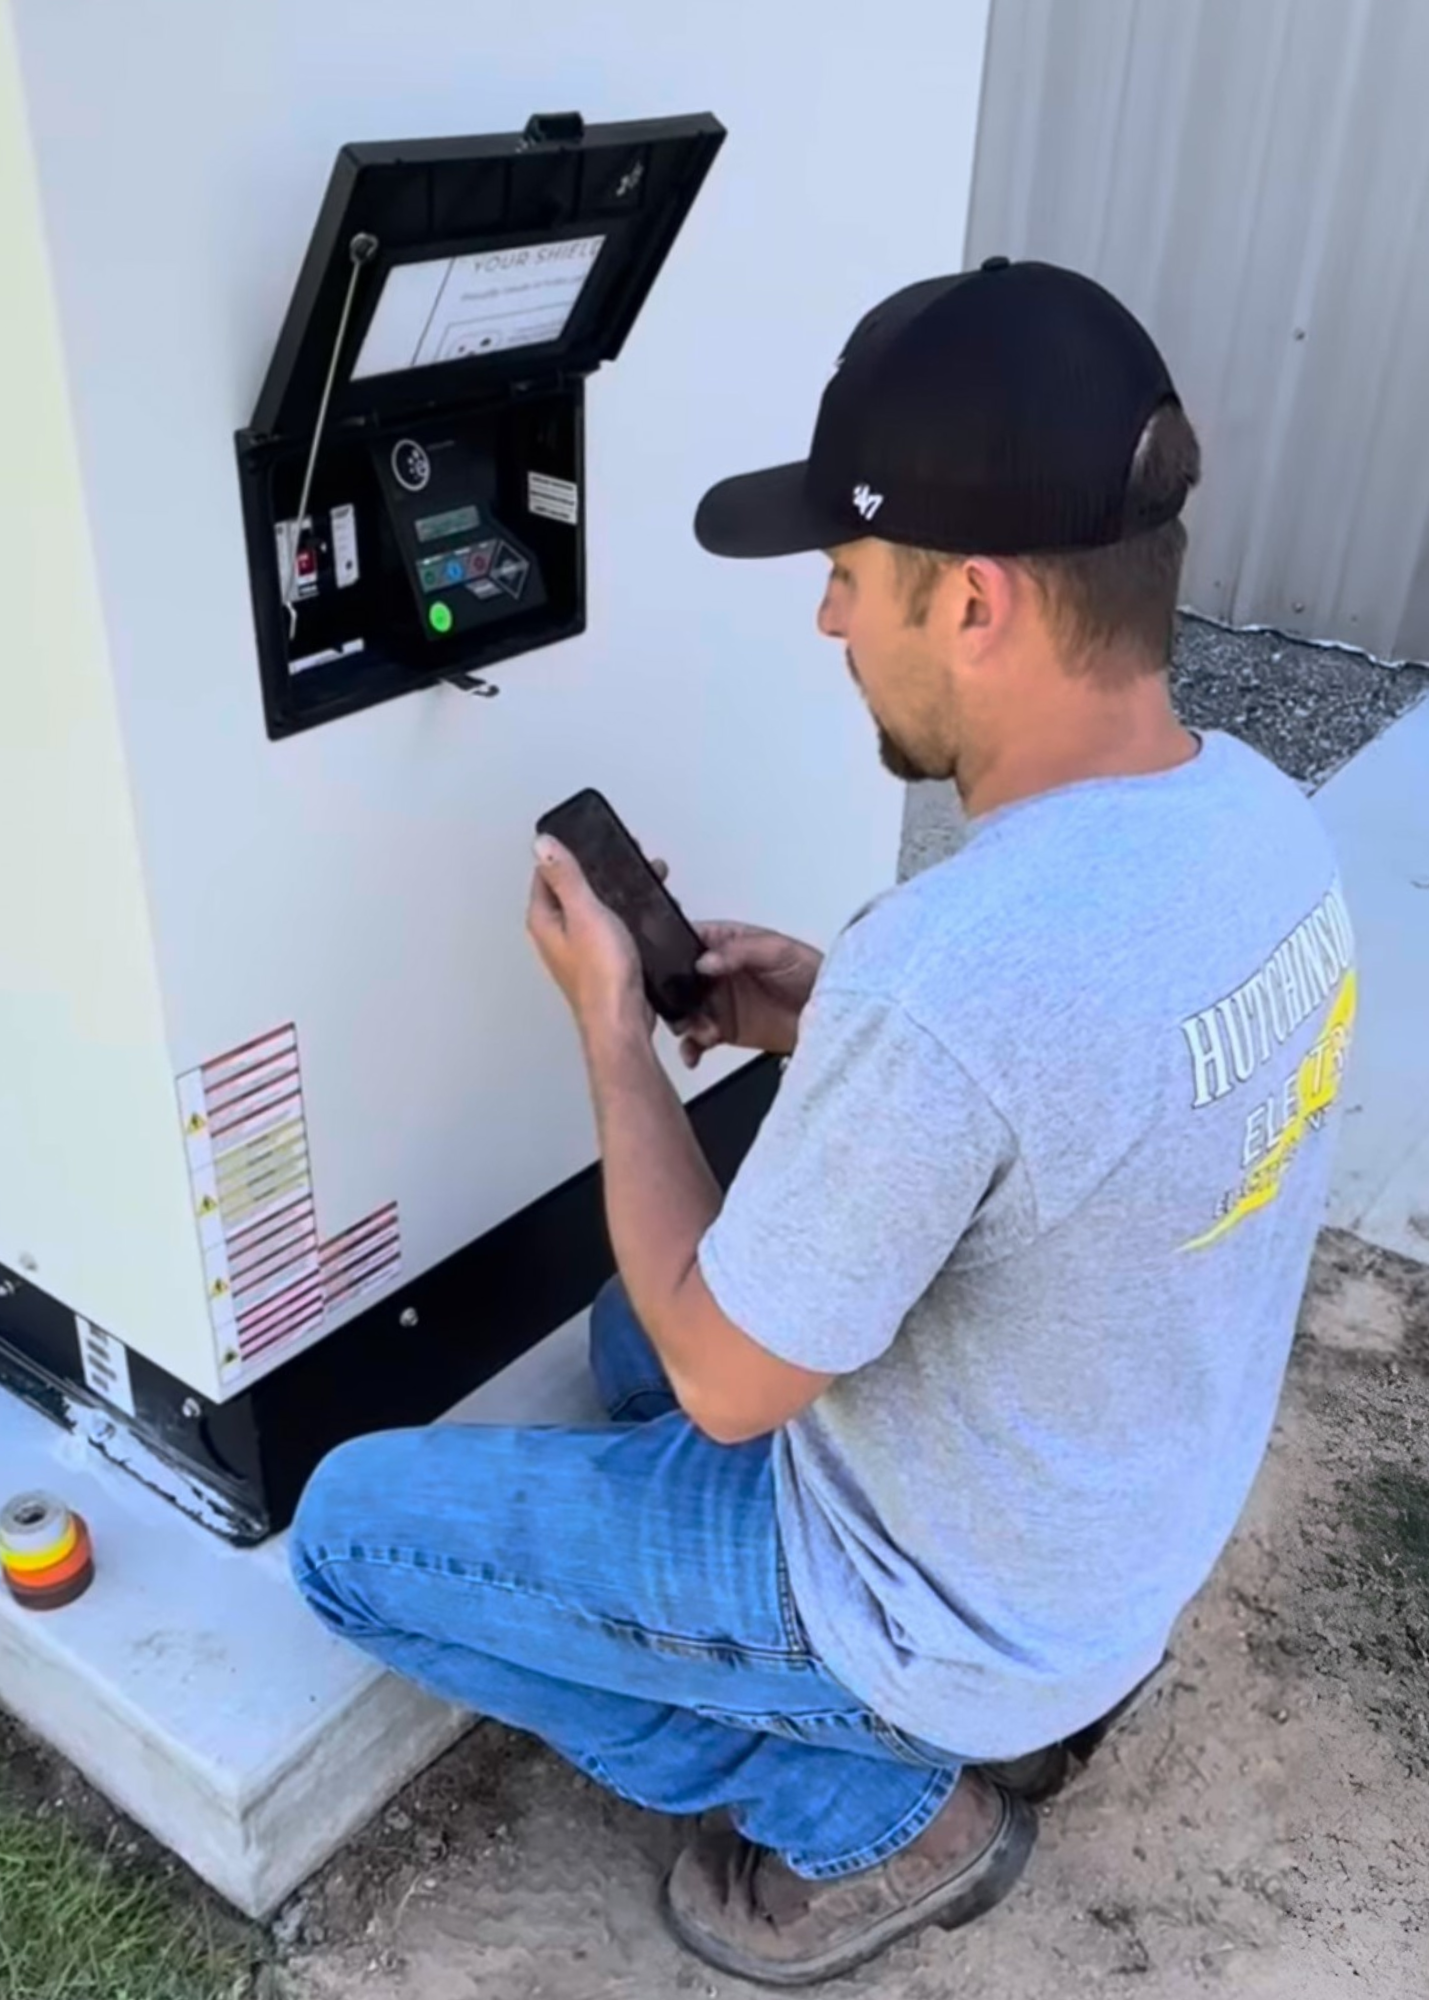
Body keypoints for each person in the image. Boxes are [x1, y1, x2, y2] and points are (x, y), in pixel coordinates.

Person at [290, 260, 1356, 1985]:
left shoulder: (953, 978)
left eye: (852, 577)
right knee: (619, 1338)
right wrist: (819, 1011)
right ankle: (974, 1695)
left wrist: (615, 1037)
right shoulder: (1261, 829)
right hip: (1108, 1543)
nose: (830, 622)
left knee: (358, 1538)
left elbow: (728, 1378)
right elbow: (1067, 1109)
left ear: (980, 605)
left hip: (950, 1611)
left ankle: (884, 1820)